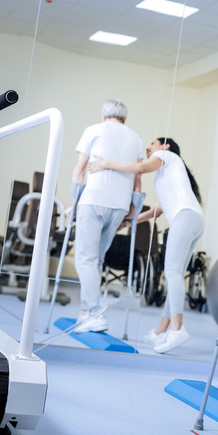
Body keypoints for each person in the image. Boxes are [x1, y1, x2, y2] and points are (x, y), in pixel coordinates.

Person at [88, 137, 205, 354]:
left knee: (172, 272)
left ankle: (177, 329)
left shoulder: (165, 156)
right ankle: (162, 331)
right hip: (194, 218)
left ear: (165, 146)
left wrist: (106, 164)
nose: (149, 147)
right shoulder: (168, 173)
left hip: (185, 218)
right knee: (176, 274)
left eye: (153, 143)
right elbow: (157, 211)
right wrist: (130, 221)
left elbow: (140, 168)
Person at [71, 99, 143, 333]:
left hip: (92, 201)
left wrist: (75, 201)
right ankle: (85, 312)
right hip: (120, 205)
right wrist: (133, 210)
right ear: (124, 118)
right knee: (97, 259)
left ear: (104, 115)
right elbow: (138, 178)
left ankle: (93, 312)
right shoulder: (136, 137)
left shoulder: (93, 130)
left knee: (85, 259)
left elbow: (79, 169)